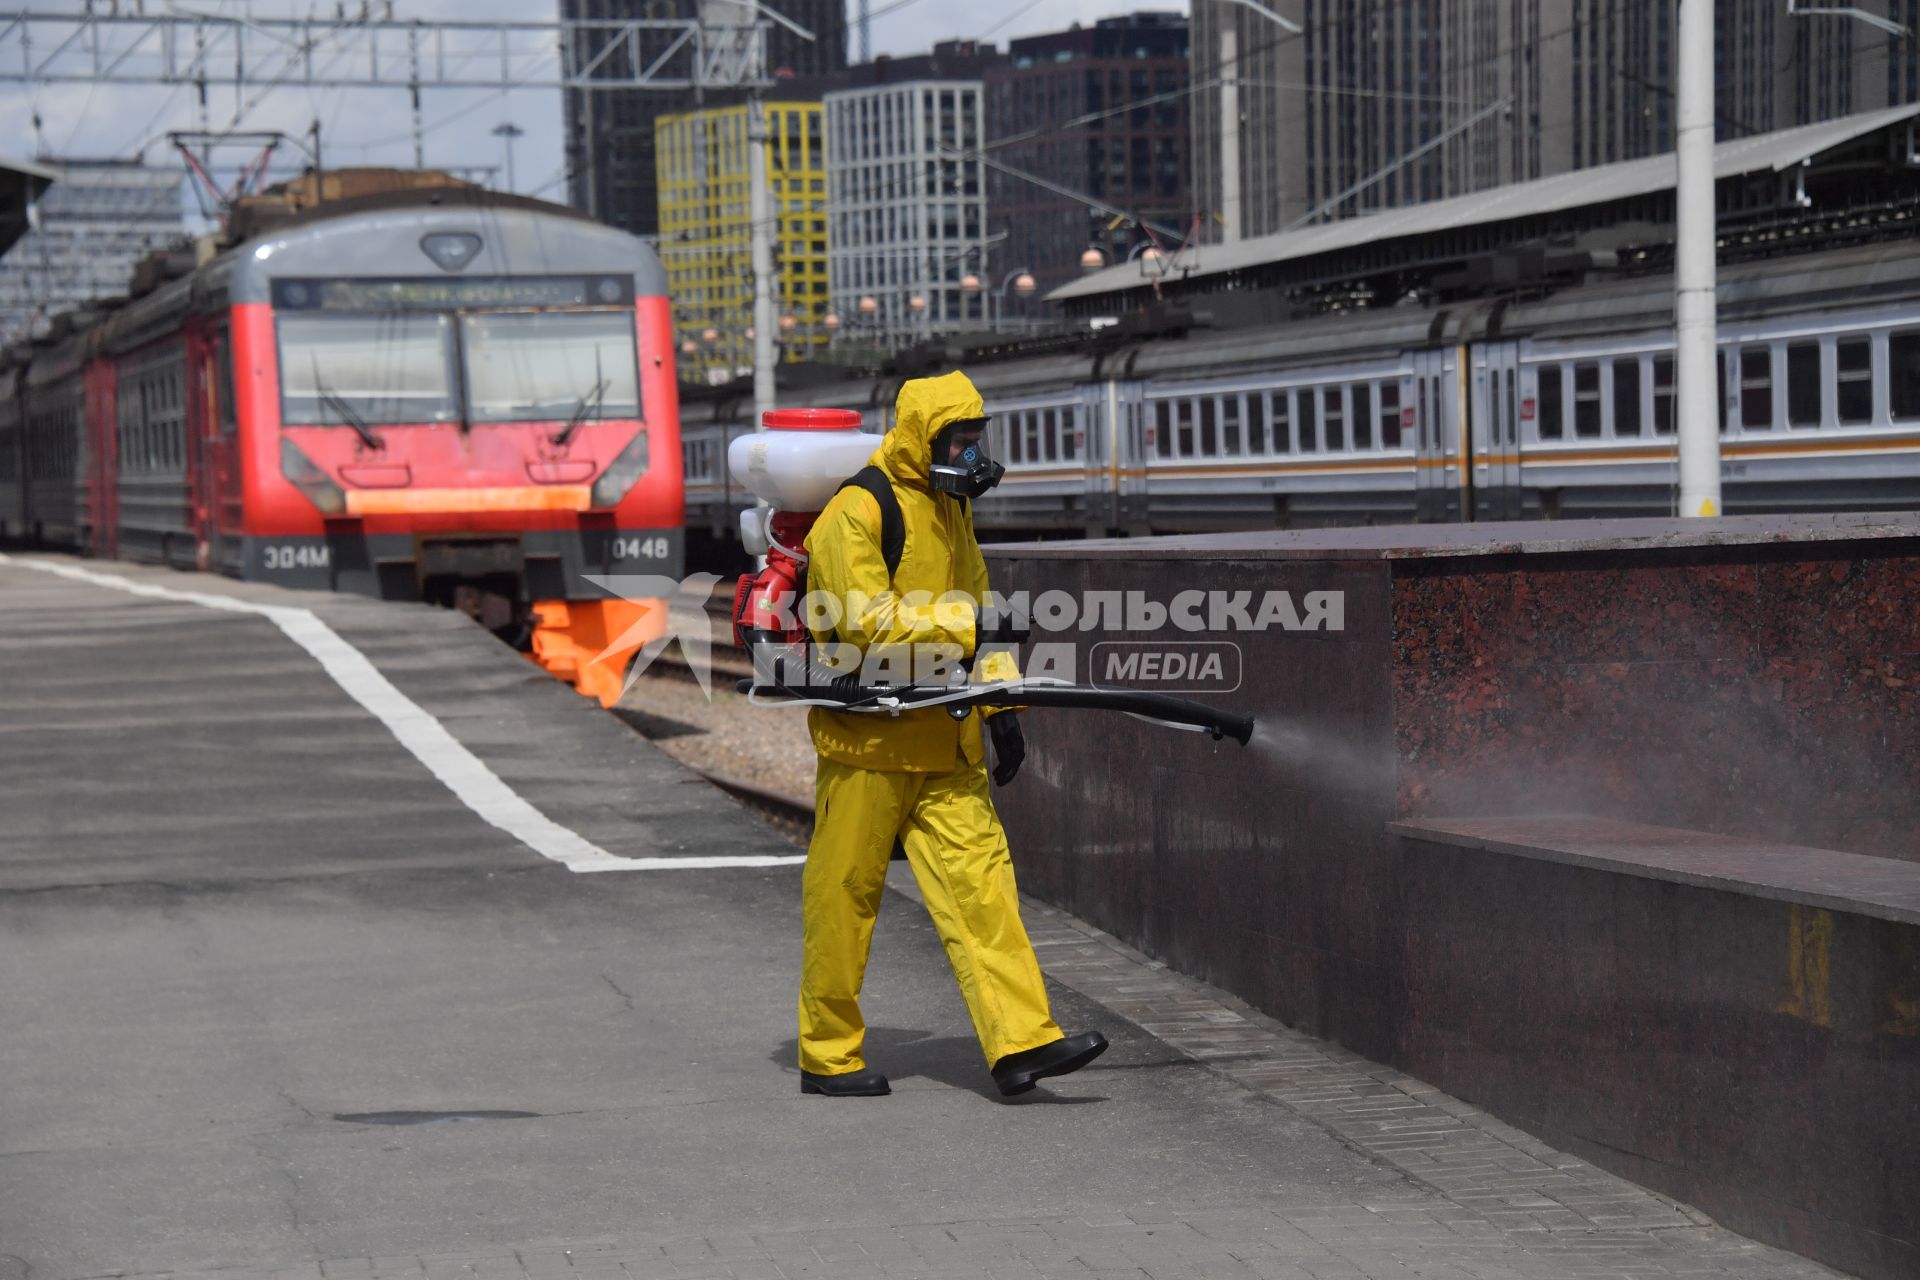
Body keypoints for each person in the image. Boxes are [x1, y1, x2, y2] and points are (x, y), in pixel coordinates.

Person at [795, 369, 1107, 1099]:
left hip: (946, 740)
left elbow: (980, 607)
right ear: (920, 438)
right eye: (958, 442)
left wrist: (1002, 711)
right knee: (844, 902)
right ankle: (827, 1055)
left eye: (976, 441)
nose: (972, 456)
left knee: (984, 896)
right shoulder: (855, 512)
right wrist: (971, 629)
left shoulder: (951, 509)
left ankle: (1022, 1045)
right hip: (870, 746)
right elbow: (865, 623)